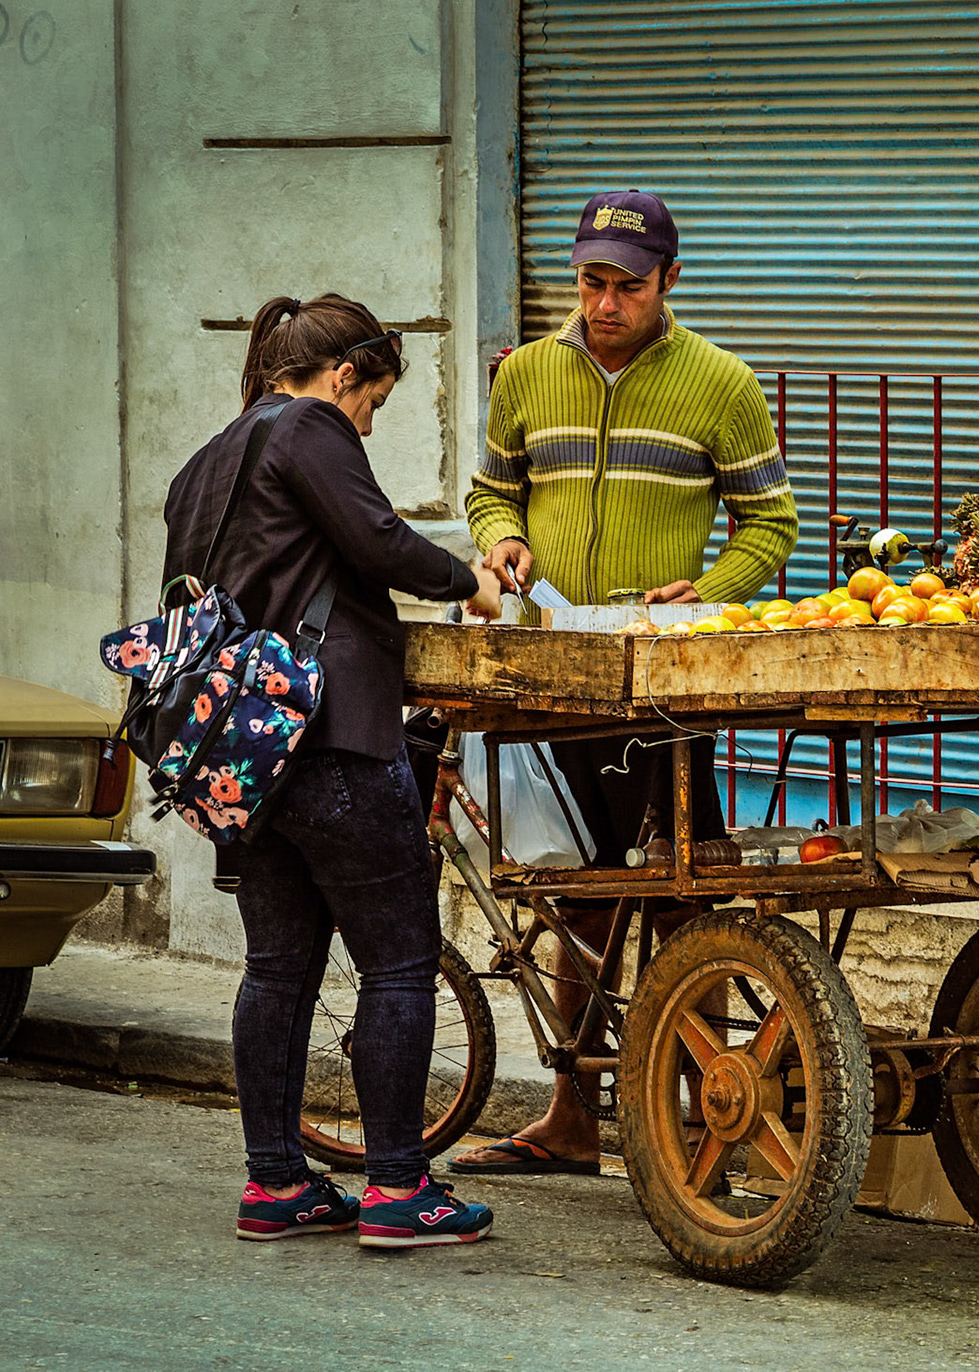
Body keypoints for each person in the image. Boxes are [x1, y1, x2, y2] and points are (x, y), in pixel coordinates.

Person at [454, 190, 798, 1173]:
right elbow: (491, 489)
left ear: (670, 283)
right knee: (576, 891)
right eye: (593, 282)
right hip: (557, 664)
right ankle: (571, 1116)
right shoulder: (525, 376)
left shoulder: (721, 384)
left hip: (666, 677)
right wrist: (502, 537)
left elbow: (772, 523)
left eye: (628, 287)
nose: (606, 305)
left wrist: (711, 591)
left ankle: (703, 1118)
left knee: (682, 894)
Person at [162, 293, 503, 1247]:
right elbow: (375, 540)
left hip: (245, 763)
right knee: (397, 960)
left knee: (277, 967)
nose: (365, 424)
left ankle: (276, 1184)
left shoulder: (204, 463)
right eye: (373, 405)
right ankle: (400, 1190)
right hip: (335, 737)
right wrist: (466, 580)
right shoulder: (308, 425)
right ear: (344, 374)